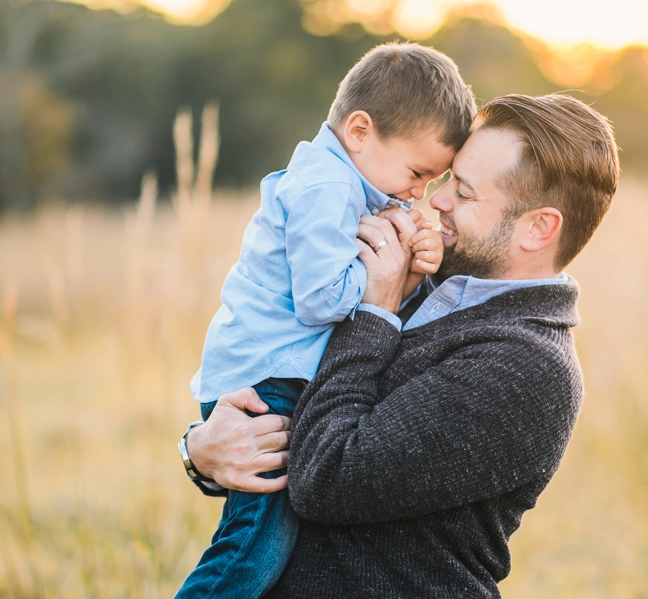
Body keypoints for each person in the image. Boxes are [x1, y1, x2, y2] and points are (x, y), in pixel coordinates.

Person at [182, 93, 619, 598]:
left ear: (539, 228)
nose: (437, 199)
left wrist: (372, 314)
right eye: (448, 177)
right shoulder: (417, 277)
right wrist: (200, 451)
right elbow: (290, 390)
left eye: (464, 191)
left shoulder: (529, 366)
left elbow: (326, 479)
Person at [175, 42, 476, 599]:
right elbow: (321, 298)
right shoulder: (327, 189)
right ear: (359, 130)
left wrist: (412, 255)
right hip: (267, 383)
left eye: (433, 181)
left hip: (273, 373)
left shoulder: (350, 182)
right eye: (417, 173)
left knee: (262, 546)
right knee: (251, 552)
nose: (421, 194)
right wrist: (394, 278)